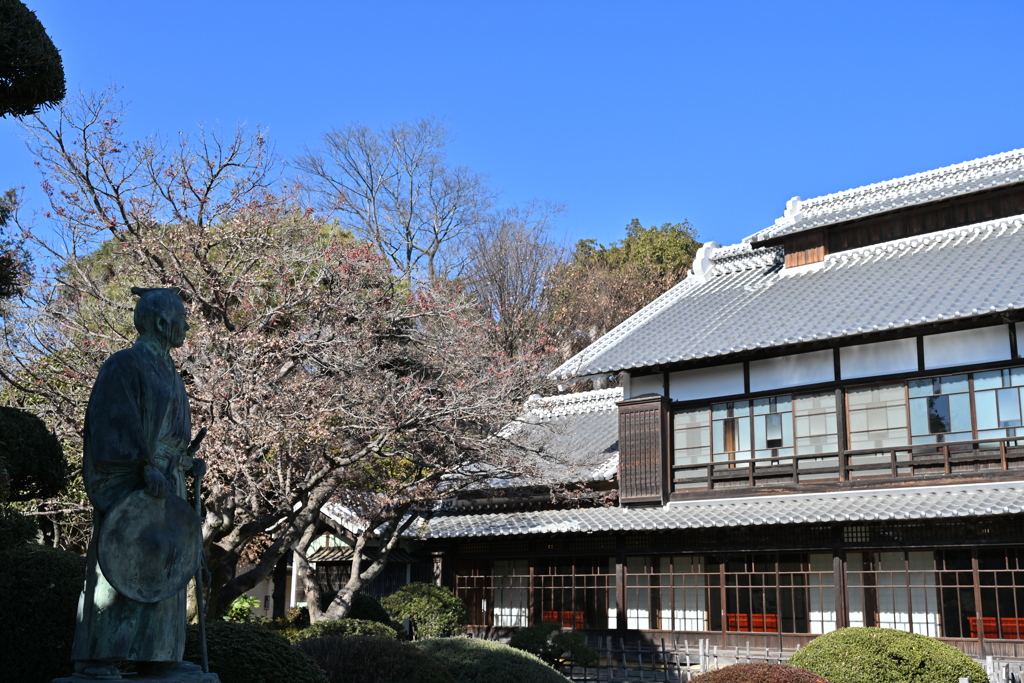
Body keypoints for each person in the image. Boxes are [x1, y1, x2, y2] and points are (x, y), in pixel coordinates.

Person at [72, 287, 206, 679]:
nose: (186, 325)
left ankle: (159, 654)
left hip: (170, 480)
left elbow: (174, 435)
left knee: (165, 563)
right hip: (136, 481)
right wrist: (142, 465)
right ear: (163, 323)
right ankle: (96, 656)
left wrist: (186, 462)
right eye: (181, 317)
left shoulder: (173, 375)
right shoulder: (124, 365)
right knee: (120, 565)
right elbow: (112, 423)